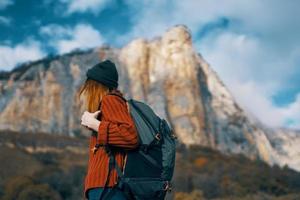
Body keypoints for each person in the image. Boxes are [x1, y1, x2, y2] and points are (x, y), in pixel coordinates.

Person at [77, 60, 139, 200]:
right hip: (105, 187)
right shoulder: (108, 103)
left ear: (95, 87)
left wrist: (95, 125)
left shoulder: (110, 100)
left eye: (88, 88)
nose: (86, 94)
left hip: (109, 186)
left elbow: (130, 136)